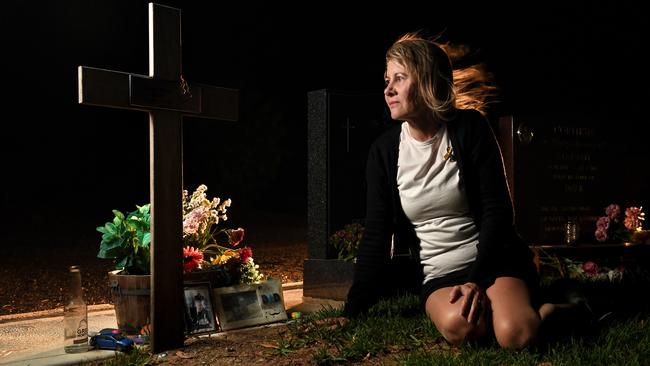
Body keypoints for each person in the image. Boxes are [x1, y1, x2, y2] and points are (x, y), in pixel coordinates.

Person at [343, 32, 569, 349]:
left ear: (426, 82)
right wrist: (352, 310)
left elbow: (498, 212)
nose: (388, 89)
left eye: (399, 78)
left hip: (493, 263)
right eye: (386, 79)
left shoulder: (470, 128)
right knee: (462, 327)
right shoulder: (384, 152)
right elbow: (377, 234)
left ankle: (560, 310)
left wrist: (476, 279)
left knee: (517, 335)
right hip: (441, 275)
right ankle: (515, 310)